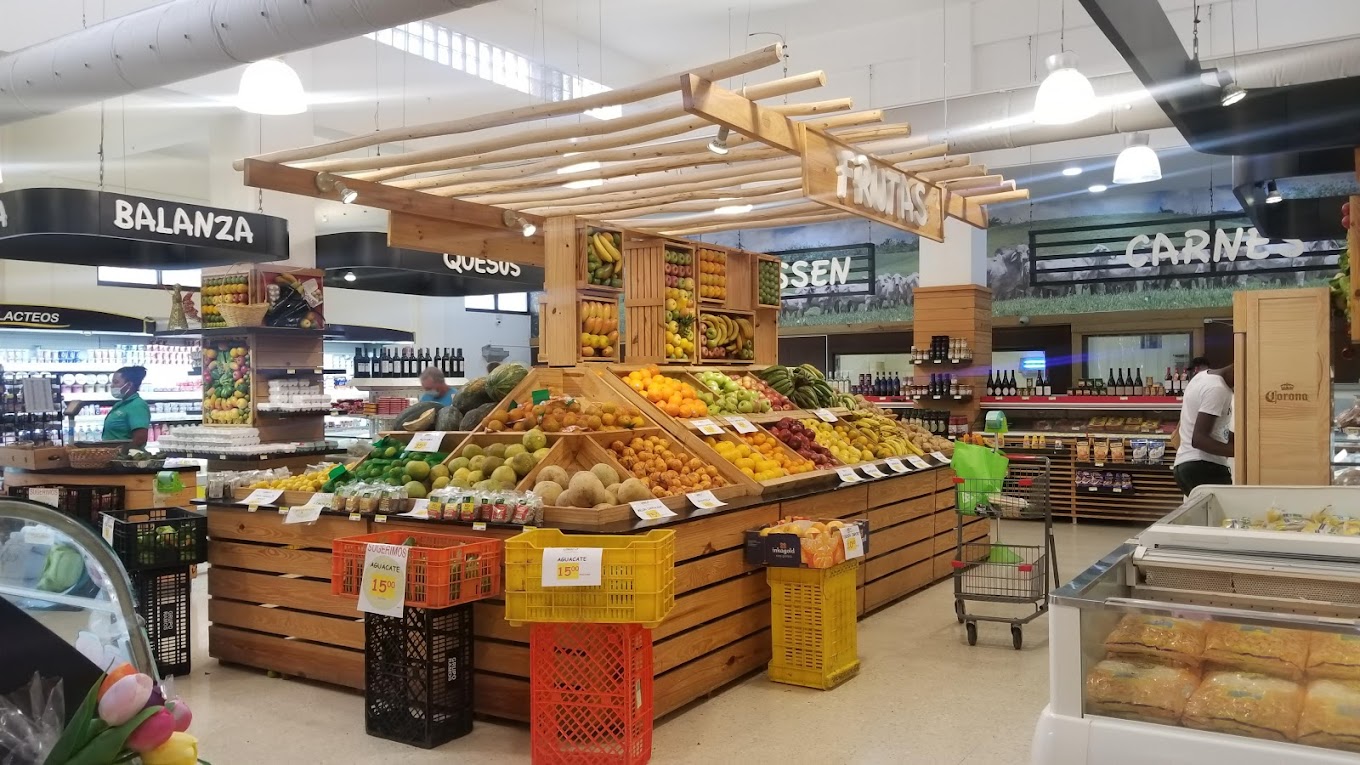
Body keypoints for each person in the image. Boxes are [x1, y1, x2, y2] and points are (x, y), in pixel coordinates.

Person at [1173, 364, 1235, 495]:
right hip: (1204, 466)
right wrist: (1241, 452)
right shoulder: (1217, 389)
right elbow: (1199, 439)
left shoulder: (1201, 377)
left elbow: (1217, 429)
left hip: (1186, 464)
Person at [102, 366, 151, 448]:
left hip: (125, 454)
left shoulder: (137, 405)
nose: (111, 386)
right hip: (113, 454)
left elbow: (140, 438)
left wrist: (123, 452)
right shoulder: (120, 404)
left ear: (129, 385)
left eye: (116, 382)